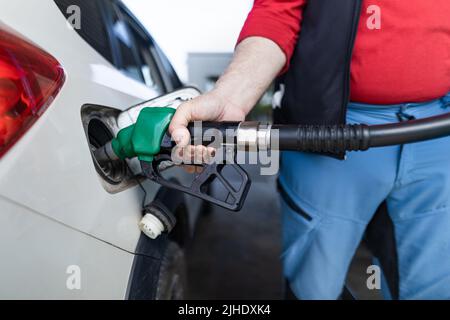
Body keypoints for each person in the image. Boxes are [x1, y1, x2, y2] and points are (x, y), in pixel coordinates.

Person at [169, 0, 450, 299]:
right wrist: (231, 96)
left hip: (438, 127)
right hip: (330, 129)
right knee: (314, 286)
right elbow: (277, 11)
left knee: (432, 281)